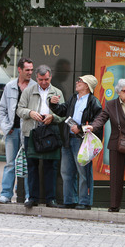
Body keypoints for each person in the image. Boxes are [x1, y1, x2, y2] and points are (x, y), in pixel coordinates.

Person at [87, 78, 125, 213]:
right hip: (116, 144)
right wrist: (93, 126)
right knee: (115, 177)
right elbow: (101, 118)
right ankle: (114, 205)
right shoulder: (111, 105)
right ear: (118, 92)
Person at [48, 75, 102, 210]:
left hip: (82, 141)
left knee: (84, 173)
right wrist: (53, 104)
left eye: (81, 81)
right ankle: (69, 200)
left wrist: (81, 127)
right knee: (66, 172)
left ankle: (85, 202)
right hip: (68, 139)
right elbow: (61, 111)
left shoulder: (93, 102)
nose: (77, 82)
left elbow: (97, 122)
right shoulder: (73, 98)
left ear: (87, 86)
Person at [17, 65, 65, 208]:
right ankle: (32, 198)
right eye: (41, 79)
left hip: (49, 131)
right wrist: (30, 113)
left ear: (50, 77)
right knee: (32, 166)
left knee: (51, 166)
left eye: (46, 79)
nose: (44, 82)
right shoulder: (28, 91)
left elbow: (64, 113)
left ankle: (51, 199)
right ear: (36, 78)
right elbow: (19, 109)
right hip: (32, 131)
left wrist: (53, 117)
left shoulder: (57, 92)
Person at [0, 58, 36, 204]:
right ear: (19, 70)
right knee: (10, 163)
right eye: (27, 70)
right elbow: (1, 109)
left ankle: (28, 196)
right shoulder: (9, 86)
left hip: (28, 132)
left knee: (28, 163)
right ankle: (6, 194)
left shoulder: (35, 87)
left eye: (32, 70)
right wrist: (6, 127)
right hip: (12, 131)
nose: (30, 73)